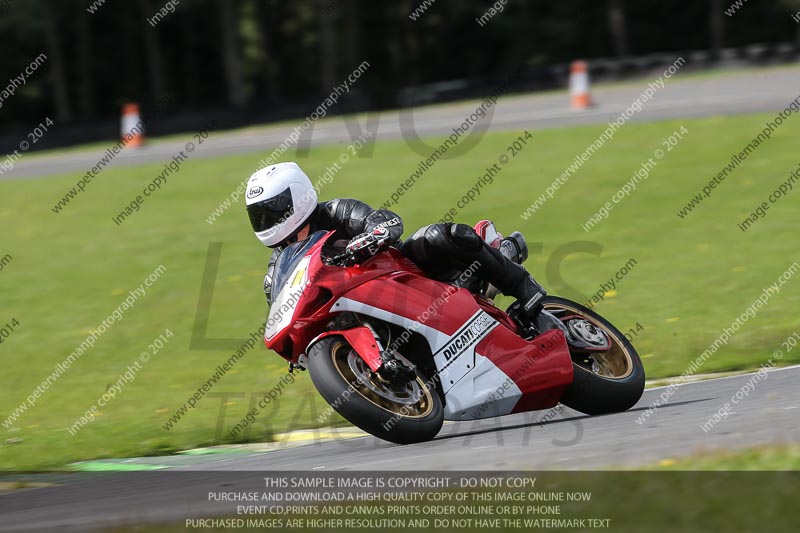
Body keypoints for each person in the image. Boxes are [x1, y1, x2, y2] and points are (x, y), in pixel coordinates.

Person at [244, 161, 546, 320]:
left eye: (271, 212)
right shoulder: (278, 271)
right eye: (259, 216)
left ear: (296, 198)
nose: (266, 222)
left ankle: (522, 285)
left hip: (408, 274)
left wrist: (373, 236)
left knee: (440, 235)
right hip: (360, 307)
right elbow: (283, 311)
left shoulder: (337, 211)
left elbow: (387, 220)